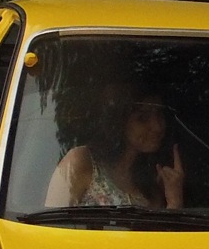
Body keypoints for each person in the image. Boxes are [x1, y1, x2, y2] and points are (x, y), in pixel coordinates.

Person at [45, 87, 186, 208]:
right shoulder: (82, 162)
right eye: (142, 118)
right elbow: (47, 228)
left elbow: (158, 240)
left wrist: (174, 202)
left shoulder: (153, 187)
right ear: (119, 121)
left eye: (159, 114)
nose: (157, 126)